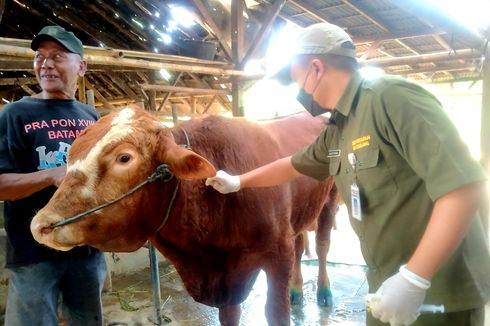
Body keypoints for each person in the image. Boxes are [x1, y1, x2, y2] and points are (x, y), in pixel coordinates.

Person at [205, 22, 490, 326]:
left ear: (316, 69)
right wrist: (238, 181)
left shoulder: (390, 98)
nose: (298, 91)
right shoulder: (339, 127)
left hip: (437, 291)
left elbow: (463, 187)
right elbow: (293, 164)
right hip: (386, 285)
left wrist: (415, 277)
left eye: (297, 80)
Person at [0, 26, 106, 326]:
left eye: (57, 56)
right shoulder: (15, 115)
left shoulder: (92, 118)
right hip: (34, 253)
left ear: (81, 66)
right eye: (40, 56)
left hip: (86, 251)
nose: (46, 64)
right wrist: (51, 176)